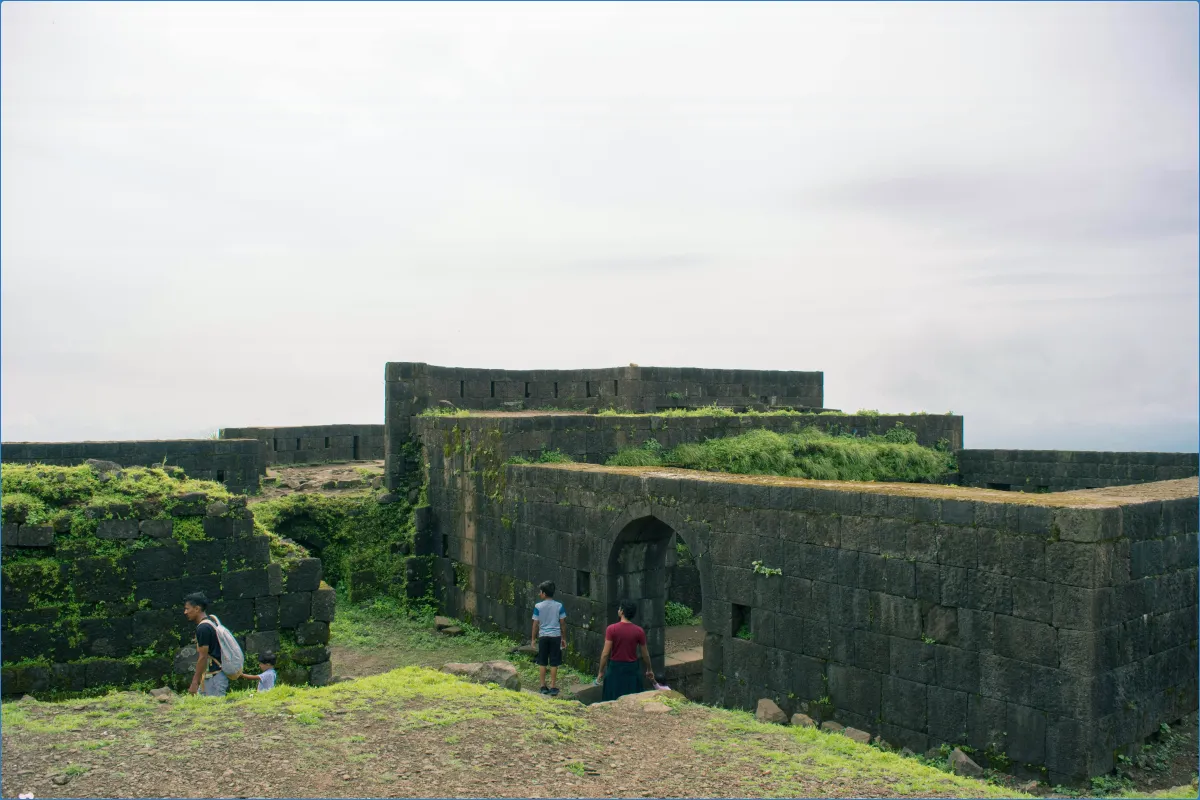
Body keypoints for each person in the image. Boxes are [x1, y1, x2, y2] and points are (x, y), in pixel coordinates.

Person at [595, 600, 655, 702]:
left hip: (615, 668)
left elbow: (605, 654)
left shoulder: (612, 629)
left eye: (619, 609)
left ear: (622, 611)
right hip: (632, 668)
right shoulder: (639, 631)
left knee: (612, 698)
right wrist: (649, 669)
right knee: (633, 698)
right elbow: (645, 654)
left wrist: (601, 671)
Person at [183, 592, 227, 697]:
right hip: (213, 677)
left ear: (197, 609)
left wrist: (195, 682)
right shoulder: (211, 622)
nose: (185, 612)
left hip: (214, 678)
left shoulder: (203, 628)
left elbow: (203, 657)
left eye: (187, 609)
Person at [531, 580, 567, 696]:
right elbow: (562, 623)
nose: (539, 594)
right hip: (555, 636)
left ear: (544, 593)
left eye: (540, 592)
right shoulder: (559, 606)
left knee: (542, 661)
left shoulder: (538, 606)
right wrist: (564, 638)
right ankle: (552, 686)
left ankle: (542, 686)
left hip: (543, 636)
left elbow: (535, 624)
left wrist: (533, 639)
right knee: (554, 662)